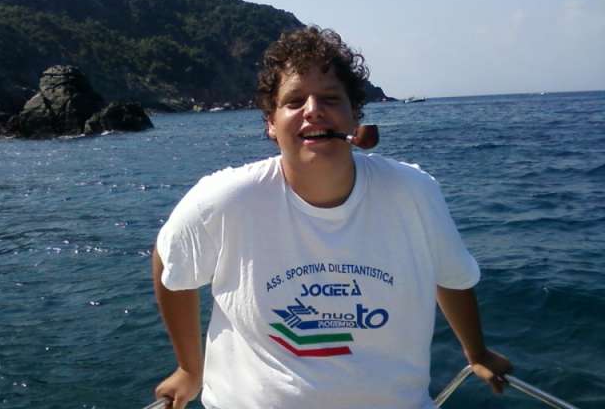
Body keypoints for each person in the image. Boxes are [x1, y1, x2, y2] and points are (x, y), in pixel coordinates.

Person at [152, 26, 512, 409]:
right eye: (294, 101)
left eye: (330, 98)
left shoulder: (413, 191)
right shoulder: (226, 199)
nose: (313, 110)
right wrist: (189, 369)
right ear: (271, 123)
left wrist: (476, 352)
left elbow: (451, 275)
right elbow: (169, 257)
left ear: (354, 116)